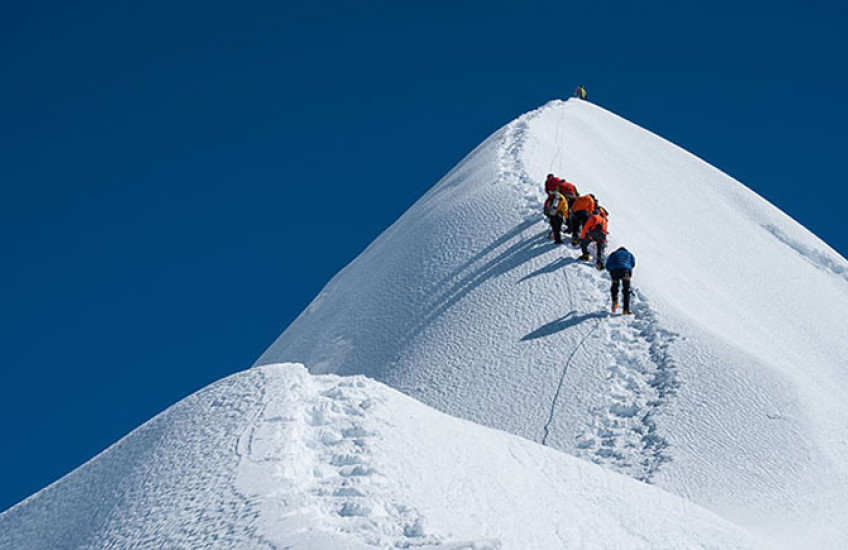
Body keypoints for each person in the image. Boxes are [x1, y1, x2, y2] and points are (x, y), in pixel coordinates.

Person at [605, 247, 636, 314]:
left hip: (615, 272)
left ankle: (615, 301)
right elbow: (633, 263)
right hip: (625, 272)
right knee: (626, 290)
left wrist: (610, 271)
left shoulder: (613, 254)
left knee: (615, 286)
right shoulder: (629, 254)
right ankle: (626, 310)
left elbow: (608, 264)